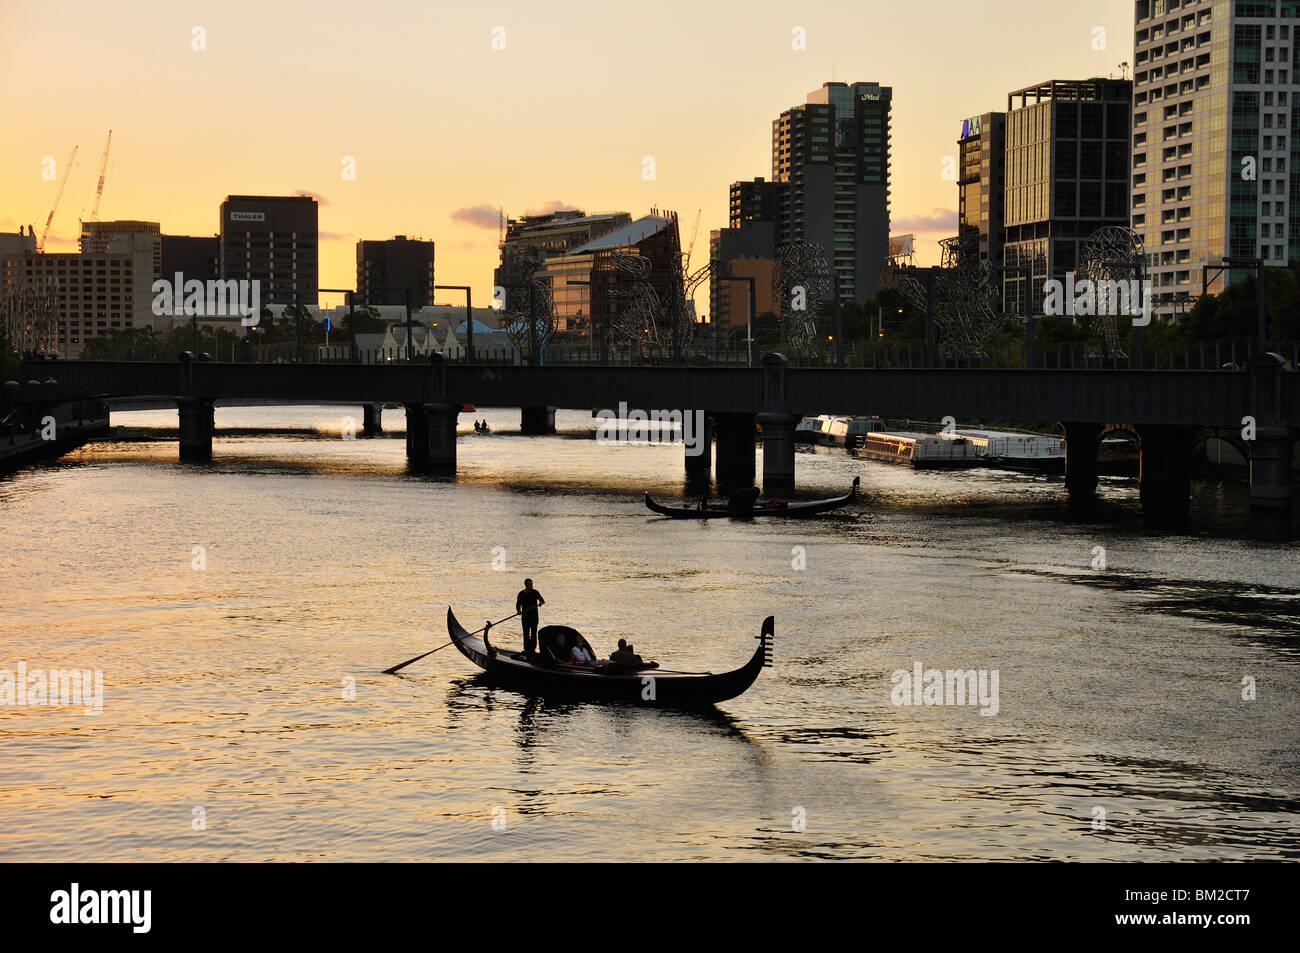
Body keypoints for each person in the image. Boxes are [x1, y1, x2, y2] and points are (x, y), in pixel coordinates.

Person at [516, 578, 545, 659]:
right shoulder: (521, 594)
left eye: (532, 584)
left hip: (534, 617)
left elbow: (542, 600)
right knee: (525, 633)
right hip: (525, 617)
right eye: (530, 584)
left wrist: (540, 603)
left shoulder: (535, 592)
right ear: (526, 585)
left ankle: (532, 650)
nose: (532, 585)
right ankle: (526, 649)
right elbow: (518, 604)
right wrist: (518, 611)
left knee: (533, 633)